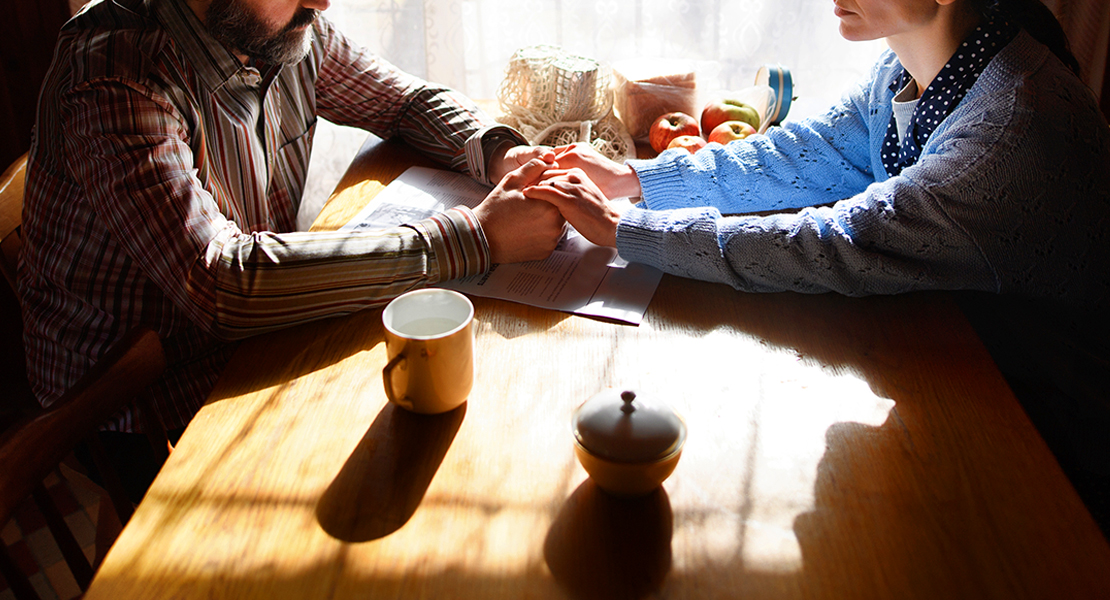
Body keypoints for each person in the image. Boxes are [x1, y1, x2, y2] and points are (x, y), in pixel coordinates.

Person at [525, 0, 1110, 532]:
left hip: (1047, 454)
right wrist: (635, 179)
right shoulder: (916, 67)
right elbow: (813, 149)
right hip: (961, 369)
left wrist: (628, 229)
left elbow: (837, 244)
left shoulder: (1012, 129)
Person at [20, 0, 564, 494]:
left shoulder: (284, 26)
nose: (323, 1)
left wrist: (496, 152)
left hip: (250, 338)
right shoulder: (117, 78)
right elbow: (221, 284)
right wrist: (477, 238)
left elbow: (403, 102)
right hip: (132, 397)